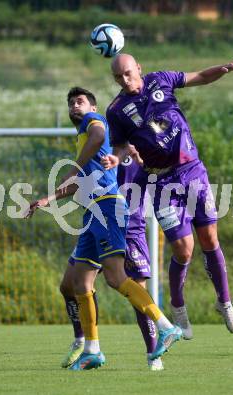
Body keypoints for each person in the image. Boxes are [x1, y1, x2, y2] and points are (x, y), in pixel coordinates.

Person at [25, 86, 181, 371]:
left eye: (80, 101)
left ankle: (166, 326)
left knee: (115, 278)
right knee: (79, 283)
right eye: (70, 102)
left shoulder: (91, 123)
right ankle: (92, 350)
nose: (74, 105)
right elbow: (78, 181)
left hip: (108, 207)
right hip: (93, 212)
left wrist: (73, 167)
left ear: (92, 107)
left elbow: (98, 135)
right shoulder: (83, 138)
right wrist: (48, 198)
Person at [101, 54, 233, 339]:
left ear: (139, 68)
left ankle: (224, 302)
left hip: (192, 170)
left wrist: (223, 69)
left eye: (128, 73)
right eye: (119, 77)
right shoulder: (116, 110)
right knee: (183, 249)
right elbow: (119, 145)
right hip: (160, 180)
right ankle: (178, 307)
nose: (125, 80)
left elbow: (199, 76)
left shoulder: (161, 80)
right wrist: (116, 159)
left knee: (210, 239)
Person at [60, 154, 164, 371]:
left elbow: (159, 174)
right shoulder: (101, 151)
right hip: (98, 223)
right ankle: (83, 341)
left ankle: (153, 353)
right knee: (69, 285)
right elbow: (84, 183)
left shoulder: (138, 151)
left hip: (130, 228)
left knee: (136, 289)